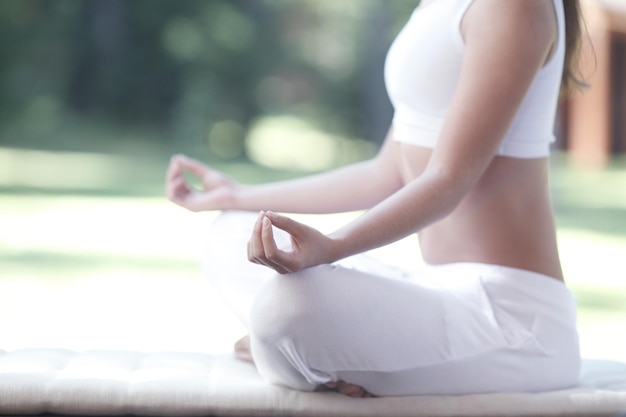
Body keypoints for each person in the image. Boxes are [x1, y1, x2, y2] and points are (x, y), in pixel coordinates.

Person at [166, 0, 584, 398]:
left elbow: (448, 181)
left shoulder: (516, 7)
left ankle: (289, 354)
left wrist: (332, 248)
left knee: (286, 307)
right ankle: (307, 357)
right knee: (232, 233)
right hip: (436, 290)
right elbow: (386, 173)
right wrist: (239, 196)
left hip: (513, 321)